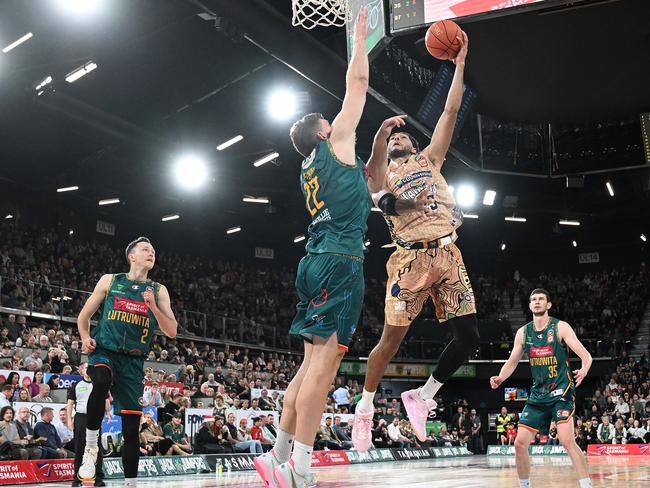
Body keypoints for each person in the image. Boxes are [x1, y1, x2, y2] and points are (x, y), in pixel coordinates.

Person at [253, 8, 373, 488]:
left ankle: (276, 456)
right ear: (325, 132)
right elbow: (358, 84)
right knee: (323, 370)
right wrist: (359, 39)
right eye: (331, 119)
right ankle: (299, 470)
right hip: (340, 262)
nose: (338, 119)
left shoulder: (309, 166)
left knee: (308, 365)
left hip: (315, 260)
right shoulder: (336, 144)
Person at [352, 30, 478, 451]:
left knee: (468, 338)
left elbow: (451, 110)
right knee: (390, 343)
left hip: (448, 252)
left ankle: (421, 397)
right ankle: (365, 409)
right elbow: (384, 202)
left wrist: (458, 65)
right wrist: (379, 136)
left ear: (415, 143)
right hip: (409, 262)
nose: (398, 139)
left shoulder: (430, 160)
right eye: (392, 139)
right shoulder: (381, 174)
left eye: (403, 136)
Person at [76, 237, 178, 485]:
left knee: (132, 430)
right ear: (131, 256)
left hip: (133, 362)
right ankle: (91, 449)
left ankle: (130, 483)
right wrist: (86, 337)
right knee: (100, 379)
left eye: (153, 250)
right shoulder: (110, 280)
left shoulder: (158, 290)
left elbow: (172, 330)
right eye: (145, 249)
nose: (151, 253)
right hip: (105, 350)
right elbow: (83, 316)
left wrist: (153, 307)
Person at [490, 289, 593, 488]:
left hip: (561, 392)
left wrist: (585, 369)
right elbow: (512, 361)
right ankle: (525, 485)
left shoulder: (560, 328)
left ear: (548, 305)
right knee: (519, 444)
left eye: (541, 299)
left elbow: (586, 355)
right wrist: (501, 377)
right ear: (529, 306)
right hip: (538, 395)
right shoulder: (523, 332)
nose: (537, 302)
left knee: (566, 440)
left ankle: (586, 485)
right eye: (533, 300)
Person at [67, 362, 109, 487]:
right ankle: (77, 478)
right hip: (80, 417)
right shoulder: (76, 385)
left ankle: (99, 478)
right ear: (81, 371)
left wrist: (107, 413)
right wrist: (69, 420)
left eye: (90, 369)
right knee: (79, 447)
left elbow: (106, 399)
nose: (88, 370)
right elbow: (70, 403)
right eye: (86, 368)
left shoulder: (99, 384)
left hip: (95, 417)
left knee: (97, 448)